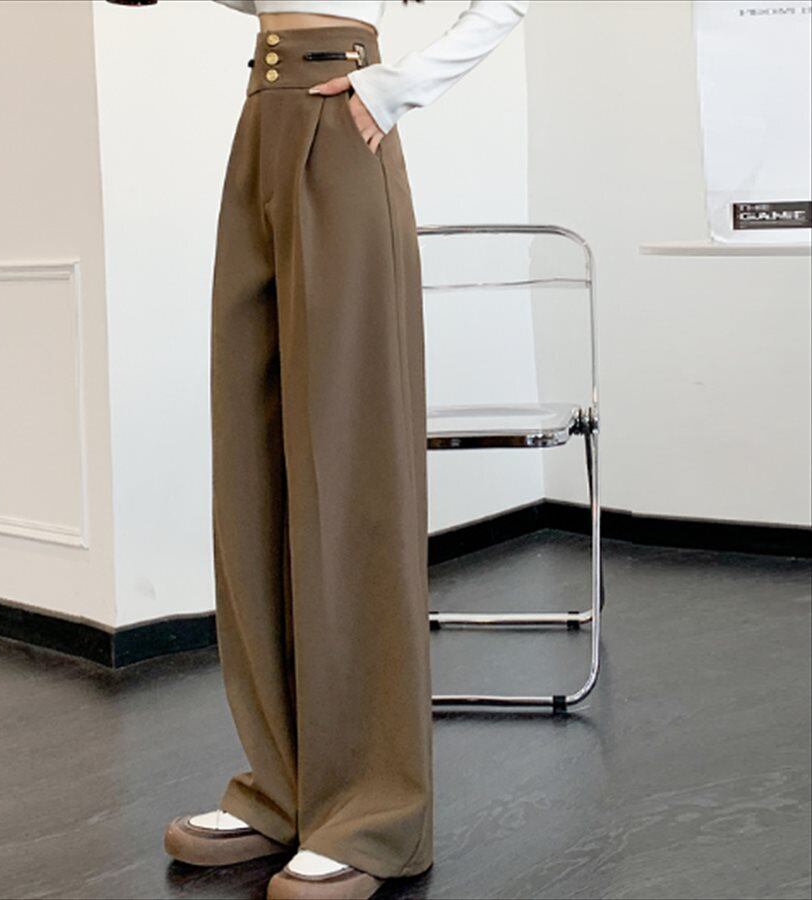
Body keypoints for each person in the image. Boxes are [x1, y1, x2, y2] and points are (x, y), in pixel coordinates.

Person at [161, 2, 530, 898]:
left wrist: (399, 88)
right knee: (252, 455)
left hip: (344, 116)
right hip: (262, 118)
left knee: (351, 459)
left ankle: (373, 810)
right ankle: (282, 787)